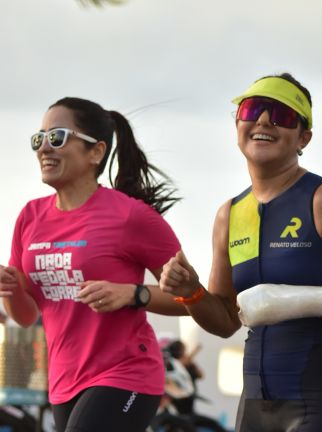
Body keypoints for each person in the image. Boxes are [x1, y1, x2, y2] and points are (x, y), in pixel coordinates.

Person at [160, 73, 322, 431]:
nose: (263, 121)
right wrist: (191, 293)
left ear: (303, 137)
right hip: (257, 402)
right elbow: (226, 320)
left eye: (282, 115)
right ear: (237, 125)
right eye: (253, 109)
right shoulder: (230, 214)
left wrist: (291, 300)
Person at [0, 97, 188, 432]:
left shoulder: (131, 216)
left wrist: (134, 294)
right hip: (64, 382)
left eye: (57, 137)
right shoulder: (30, 217)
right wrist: (10, 290)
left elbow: (196, 300)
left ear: (96, 152)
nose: (45, 148)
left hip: (126, 373)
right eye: (38, 139)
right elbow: (27, 315)